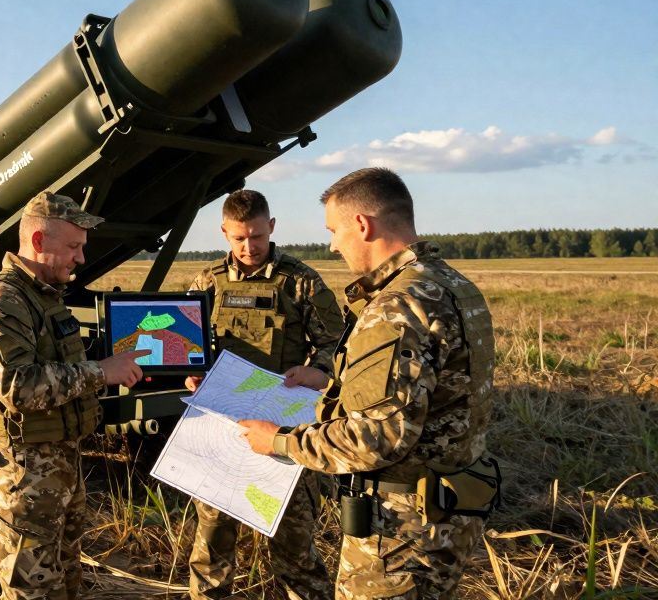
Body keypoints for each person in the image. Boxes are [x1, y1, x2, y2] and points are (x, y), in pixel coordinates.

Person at [239, 168, 498, 599]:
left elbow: (376, 436)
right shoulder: (451, 284)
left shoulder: (397, 307)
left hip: (400, 531)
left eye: (333, 231)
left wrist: (279, 442)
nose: (332, 245)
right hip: (449, 511)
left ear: (362, 224)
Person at [0, 191, 146, 600]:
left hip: (59, 465)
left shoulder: (43, 297)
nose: (81, 258)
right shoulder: (3, 301)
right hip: (25, 475)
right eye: (73, 246)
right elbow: (17, 386)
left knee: (65, 577)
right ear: (37, 241)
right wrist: (101, 371)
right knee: (32, 588)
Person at [182, 189, 343, 600]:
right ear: (224, 232)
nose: (249, 247)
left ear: (271, 227)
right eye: (239, 238)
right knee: (212, 540)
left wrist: (317, 371)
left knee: (294, 543)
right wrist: (193, 373)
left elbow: (338, 344)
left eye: (256, 236)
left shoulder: (301, 281)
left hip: (283, 423)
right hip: (224, 422)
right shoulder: (208, 281)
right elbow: (190, 344)